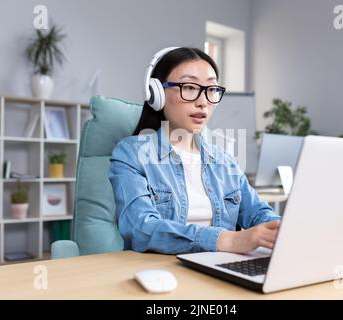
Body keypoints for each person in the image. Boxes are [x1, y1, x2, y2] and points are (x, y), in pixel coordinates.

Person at [109, 47, 281, 255]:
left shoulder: (224, 162)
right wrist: (227, 240)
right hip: (161, 269)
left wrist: (283, 230)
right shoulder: (132, 154)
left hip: (218, 270)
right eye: (189, 87)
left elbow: (259, 213)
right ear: (157, 94)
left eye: (211, 89)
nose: (203, 102)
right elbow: (140, 228)